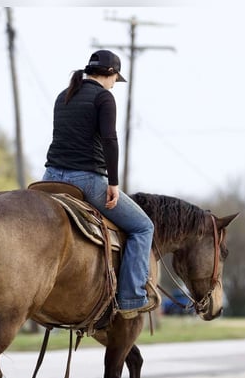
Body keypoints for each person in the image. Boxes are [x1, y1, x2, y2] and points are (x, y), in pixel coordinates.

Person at [42, 49, 159, 319]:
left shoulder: (64, 95)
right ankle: (131, 297)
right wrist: (114, 184)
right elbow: (109, 140)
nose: (114, 85)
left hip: (49, 178)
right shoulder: (103, 98)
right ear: (109, 74)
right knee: (143, 227)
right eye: (115, 79)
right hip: (85, 180)